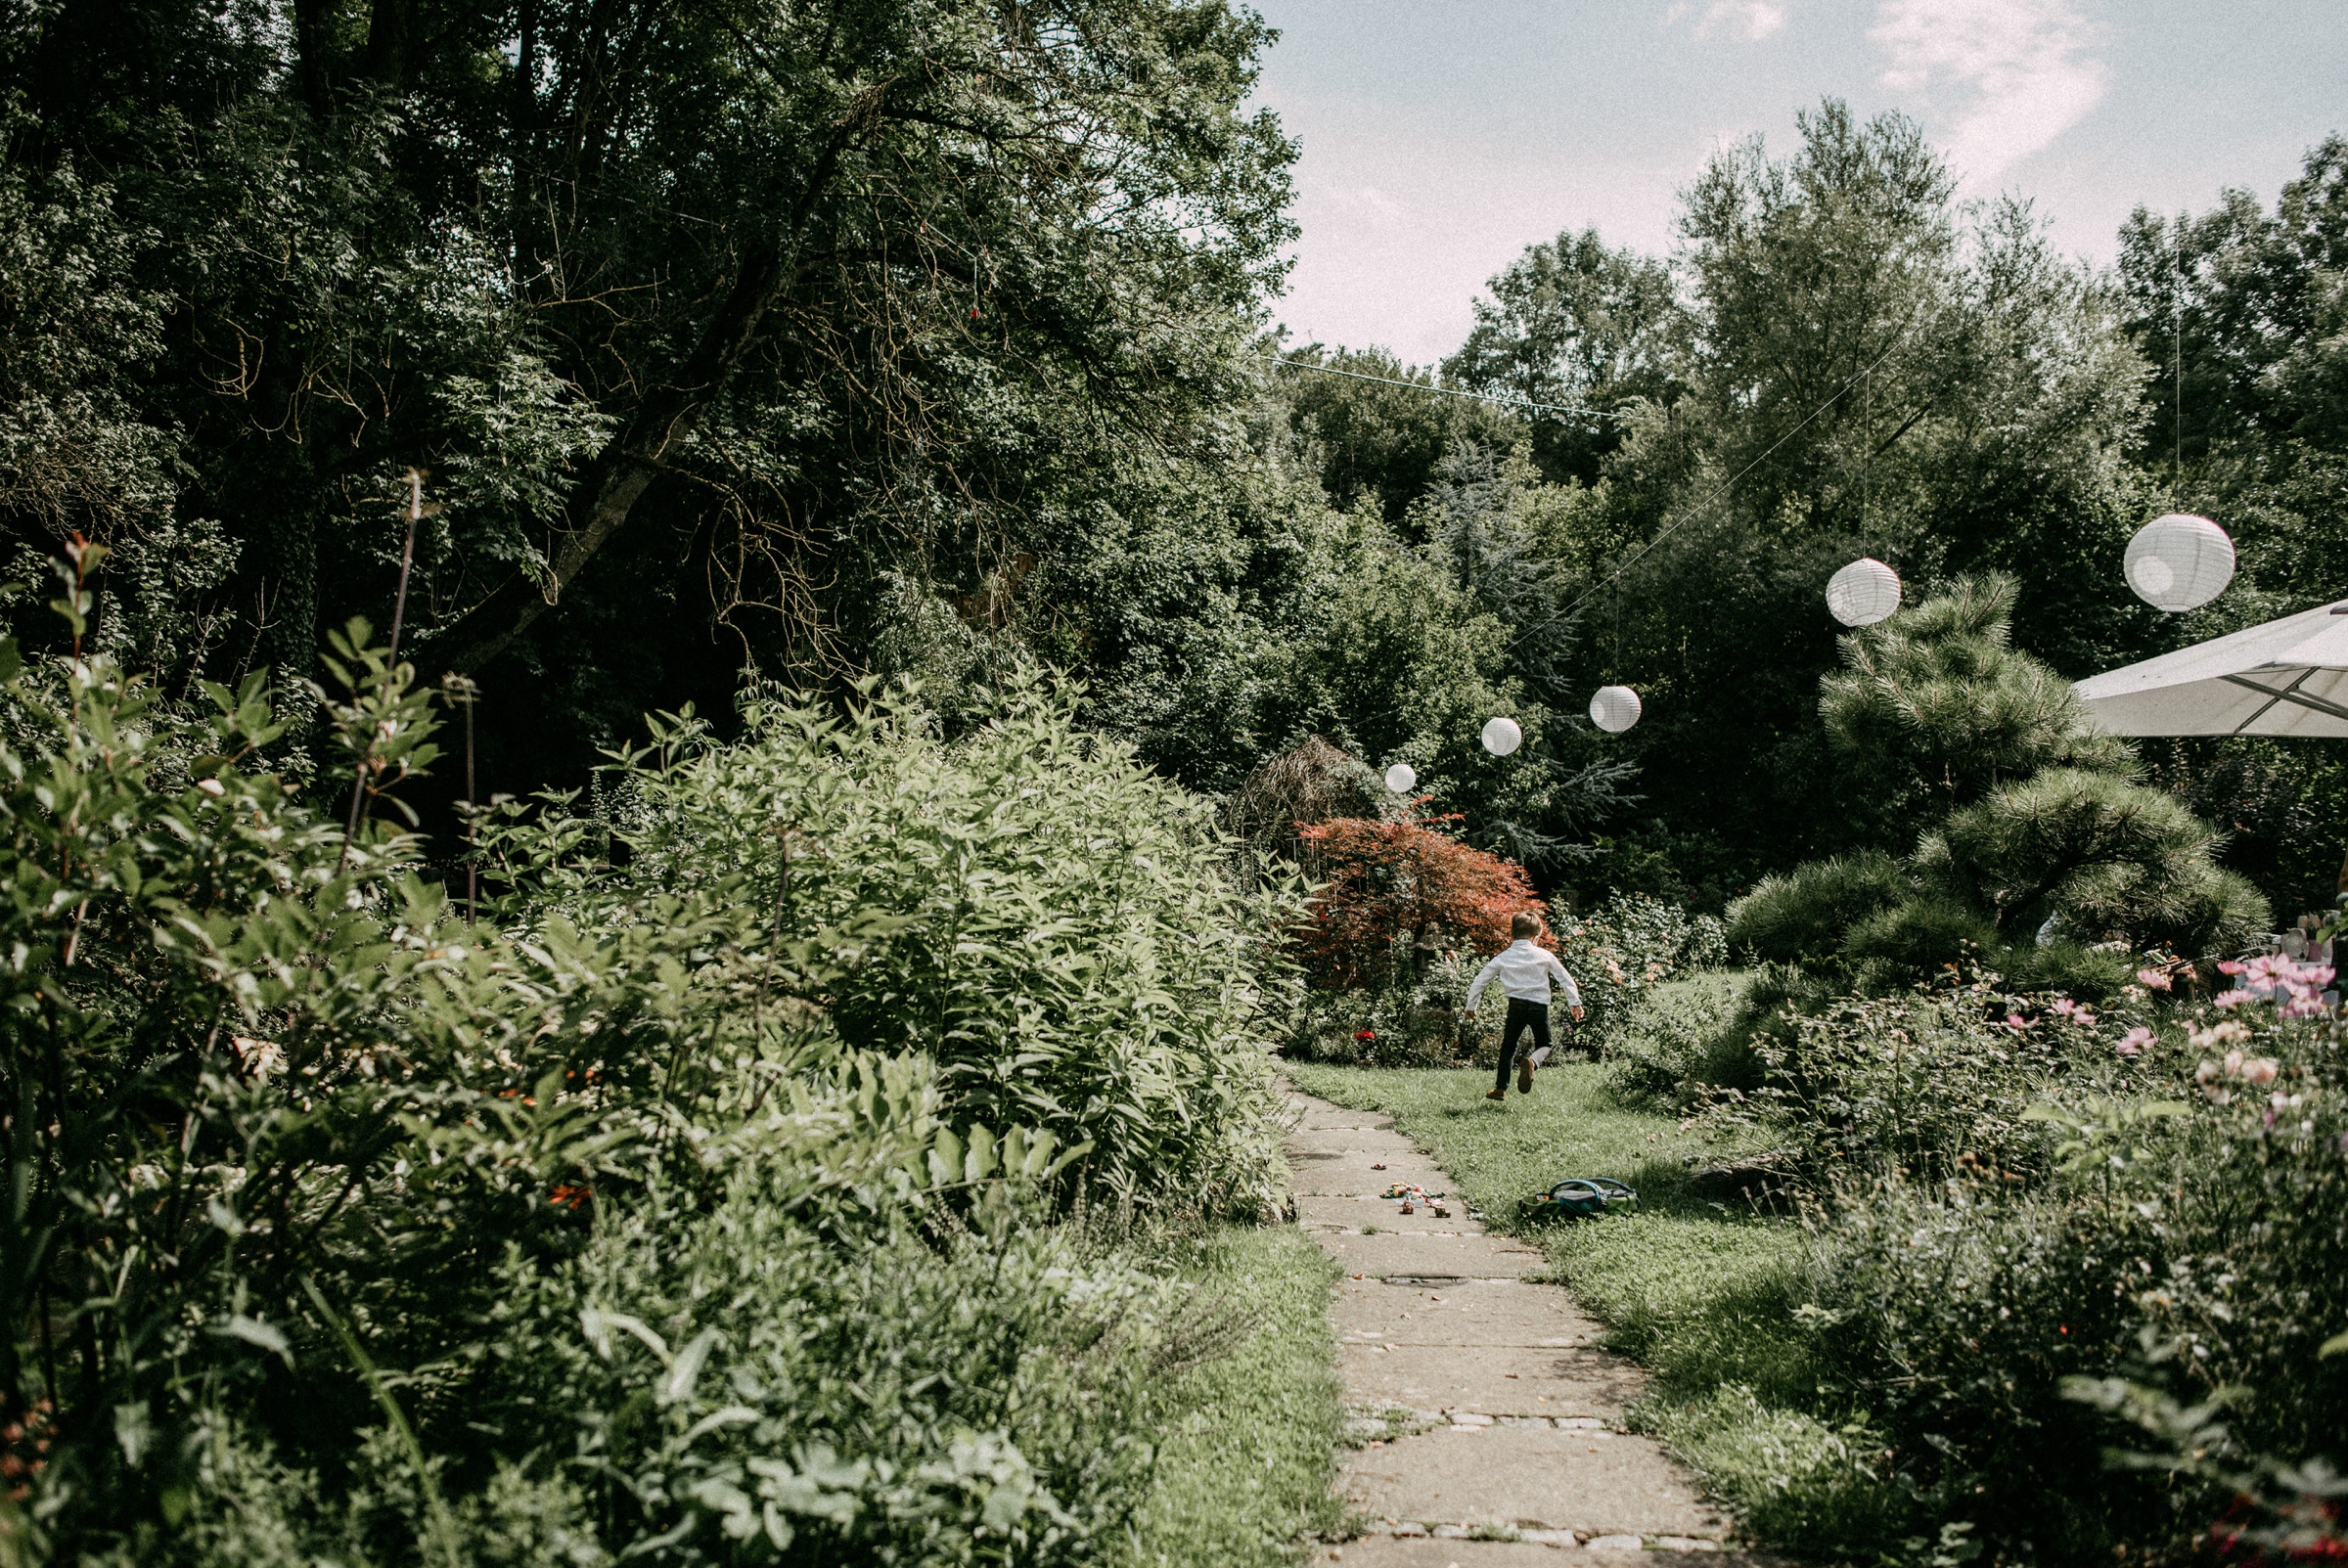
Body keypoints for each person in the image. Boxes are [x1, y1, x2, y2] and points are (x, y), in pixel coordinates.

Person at [1463, 912, 1584, 1101]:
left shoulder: (1503, 957)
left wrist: (1471, 1005)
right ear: (1536, 936)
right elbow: (1564, 978)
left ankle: (1500, 1088)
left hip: (1516, 1006)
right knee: (1545, 1043)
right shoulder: (1544, 955)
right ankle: (1532, 1062)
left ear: (1512, 934)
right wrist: (1574, 1002)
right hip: (1539, 1007)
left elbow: (1481, 980)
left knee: (1508, 1047)